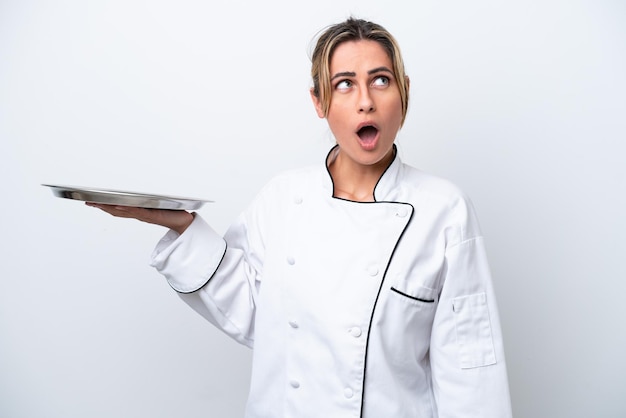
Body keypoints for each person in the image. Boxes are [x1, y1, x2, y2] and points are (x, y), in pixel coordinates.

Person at [88, 17, 512, 418]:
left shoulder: (444, 210)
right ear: (319, 102)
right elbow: (254, 314)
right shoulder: (284, 197)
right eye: (344, 85)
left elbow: (470, 367)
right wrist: (181, 226)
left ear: (404, 91)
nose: (366, 101)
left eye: (380, 81)